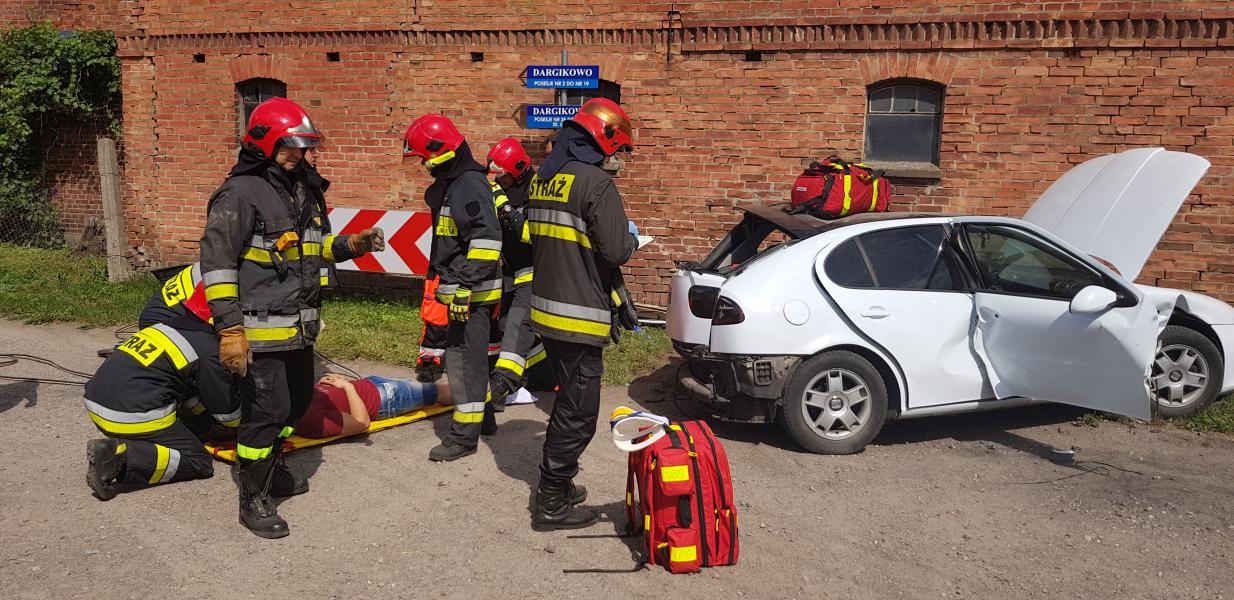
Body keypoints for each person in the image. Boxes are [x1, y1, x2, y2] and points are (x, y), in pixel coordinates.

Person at [200, 97, 385, 538]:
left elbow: (308, 250)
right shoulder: (240, 193)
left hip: (299, 326)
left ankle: (271, 464)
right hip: (257, 328)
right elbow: (218, 265)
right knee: (267, 411)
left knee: (297, 403)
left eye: (303, 148)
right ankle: (254, 497)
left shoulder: (303, 188)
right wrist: (230, 328)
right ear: (263, 143)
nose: (299, 155)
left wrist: (351, 245)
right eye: (290, 147)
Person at [526, 98, 639, 531]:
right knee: (578, 412)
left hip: (547, 311)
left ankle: (561, 483)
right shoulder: (595, 183)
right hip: (578, 316)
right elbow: (614, 250)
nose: (616, 158)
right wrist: (629, 239)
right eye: (617, 149)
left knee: (566, 403)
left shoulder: (546, 177)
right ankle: (552, 503)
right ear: (601, 138)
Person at [403, 114, 504, 462]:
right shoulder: (456, 183)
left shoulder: (467, 185)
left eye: (424, 156)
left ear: (440, 150)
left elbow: (487, 240)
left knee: (464, 365)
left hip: (470, 295)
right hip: (466, 290)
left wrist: (464, 287)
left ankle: (463, 437)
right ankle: (485, 420)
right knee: (474, 361)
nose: (423, 163)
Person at [83, 317, 223, 500]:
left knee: (183, 423)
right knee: (199, 461)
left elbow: (185, 389)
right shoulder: (209, 351)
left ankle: (137, 441)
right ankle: (119, 457)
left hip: (97, 402)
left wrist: (202, 417)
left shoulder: (165, 327)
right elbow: (227, 413)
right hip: (130, 413)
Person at [486, 137, 550, 410]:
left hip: (534, 273)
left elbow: (528, 234)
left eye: (504, 177)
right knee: (504, 327)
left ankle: (503, 384)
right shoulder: (504, 188)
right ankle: (545, 375)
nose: (500, 182)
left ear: (520, 169)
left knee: (516, 324)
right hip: (511, 274)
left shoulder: (535, 189)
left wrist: (504, 207)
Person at [297, 373, 453, 439]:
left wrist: (330, 381)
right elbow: (361, 423)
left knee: (420, 386)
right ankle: (473, 395)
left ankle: (471, 388)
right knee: (438, 391)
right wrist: (347, 387)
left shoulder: (292, 401)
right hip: (387, 398)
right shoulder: (312, 421)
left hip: (372, 384)